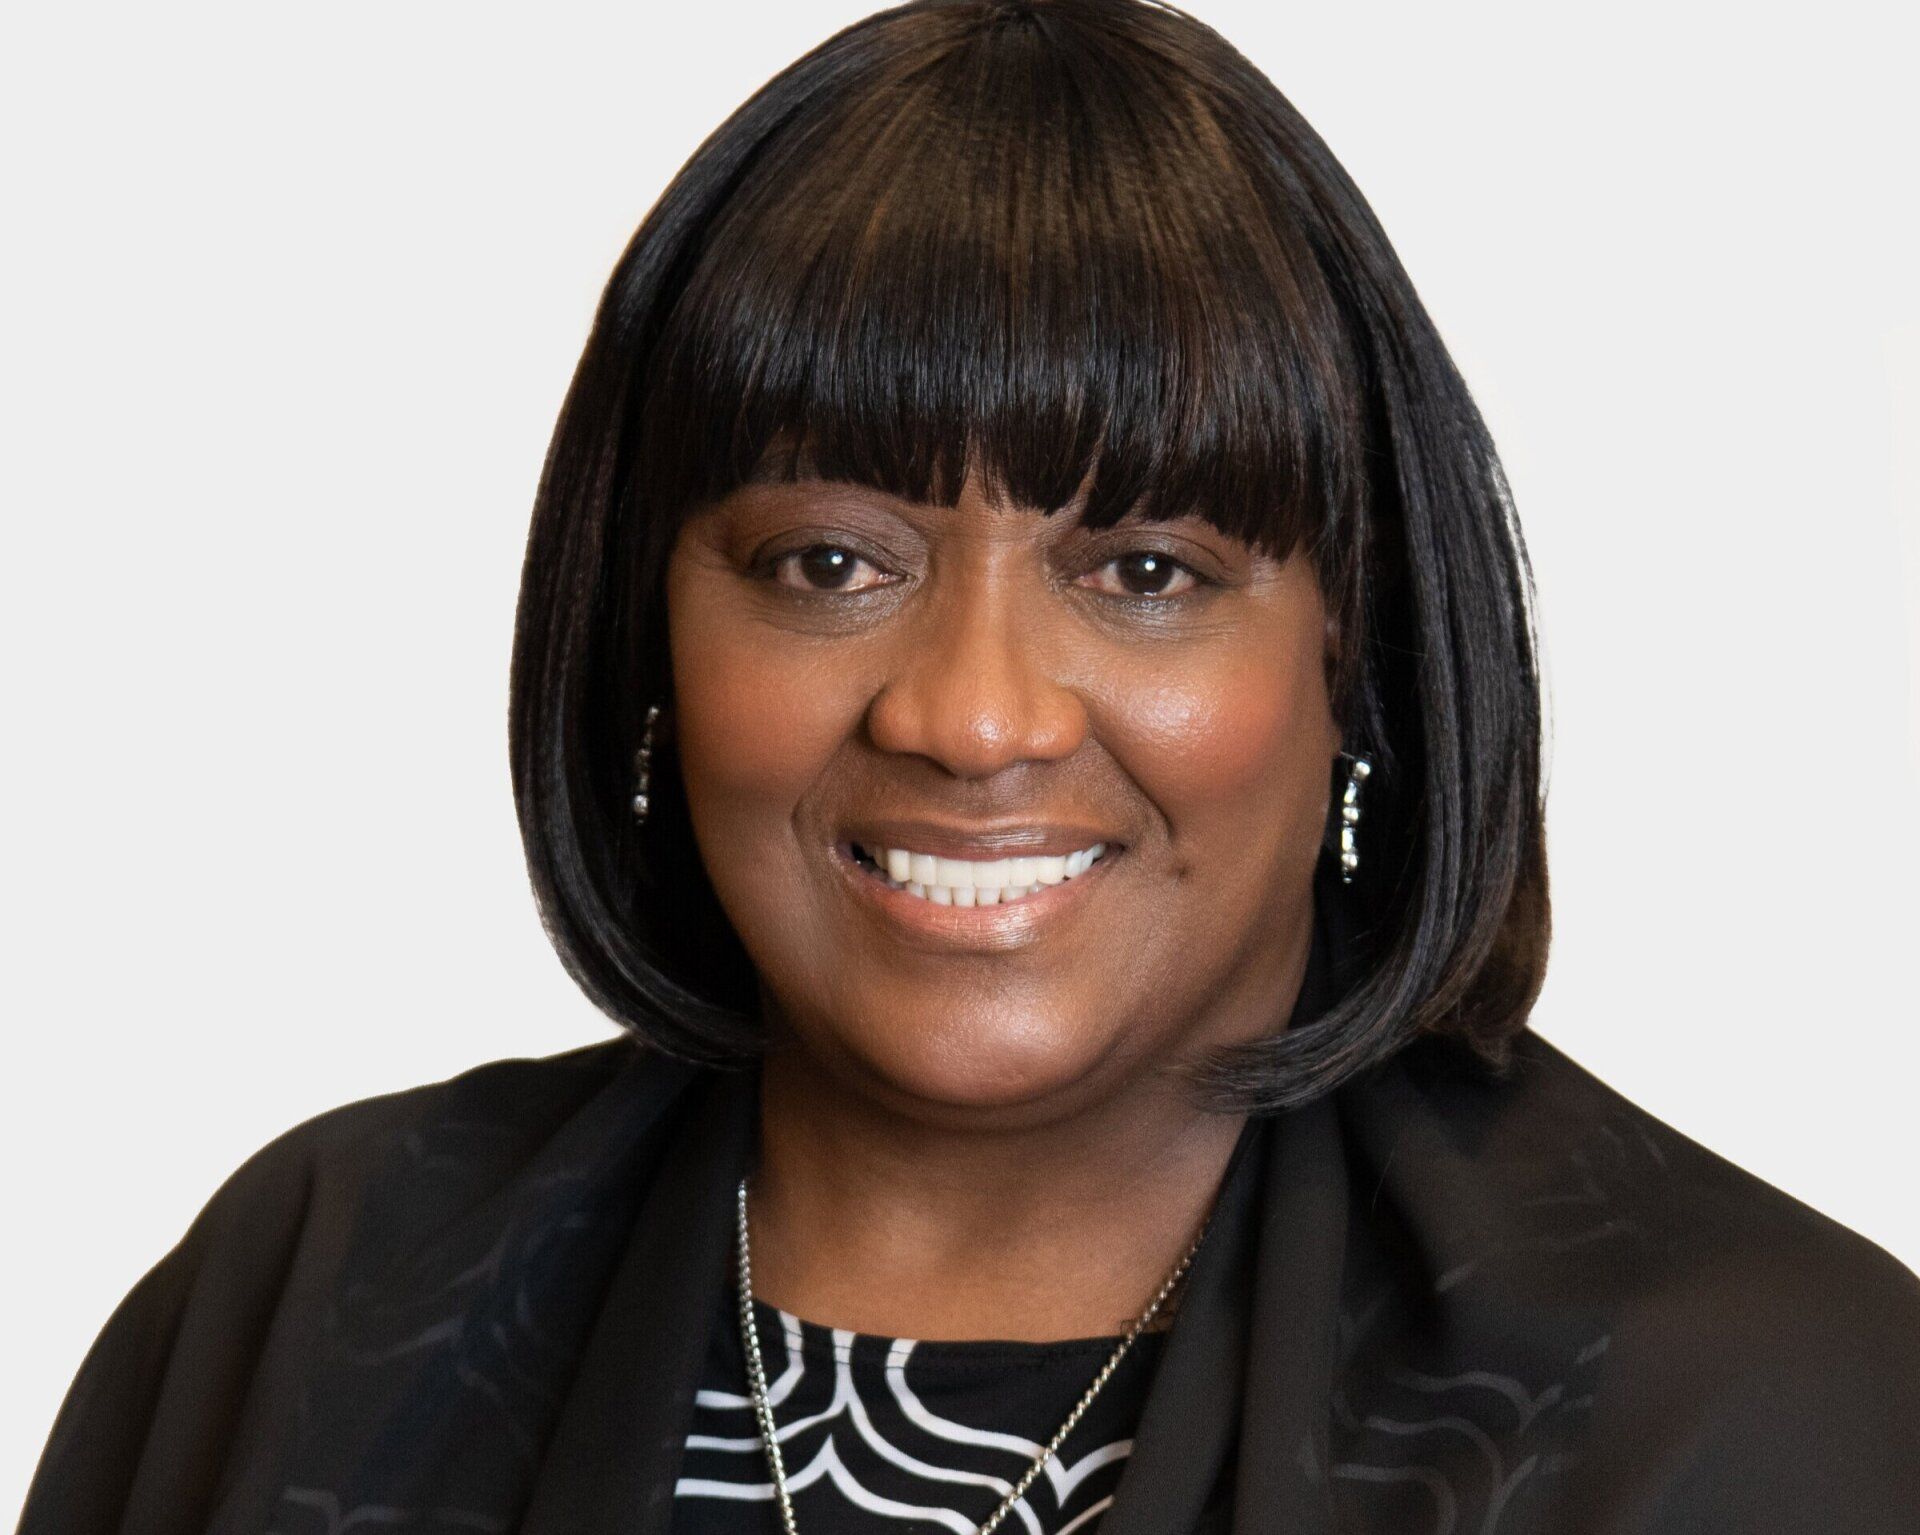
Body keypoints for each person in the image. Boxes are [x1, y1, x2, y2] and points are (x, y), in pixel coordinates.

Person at [19, 1, 1920, 1531]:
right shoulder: (321, 1298)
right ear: (645, 635)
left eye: (1147, 572)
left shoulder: (1741, 1418)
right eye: (827, 566)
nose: (973, 715)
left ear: (1361, 660)